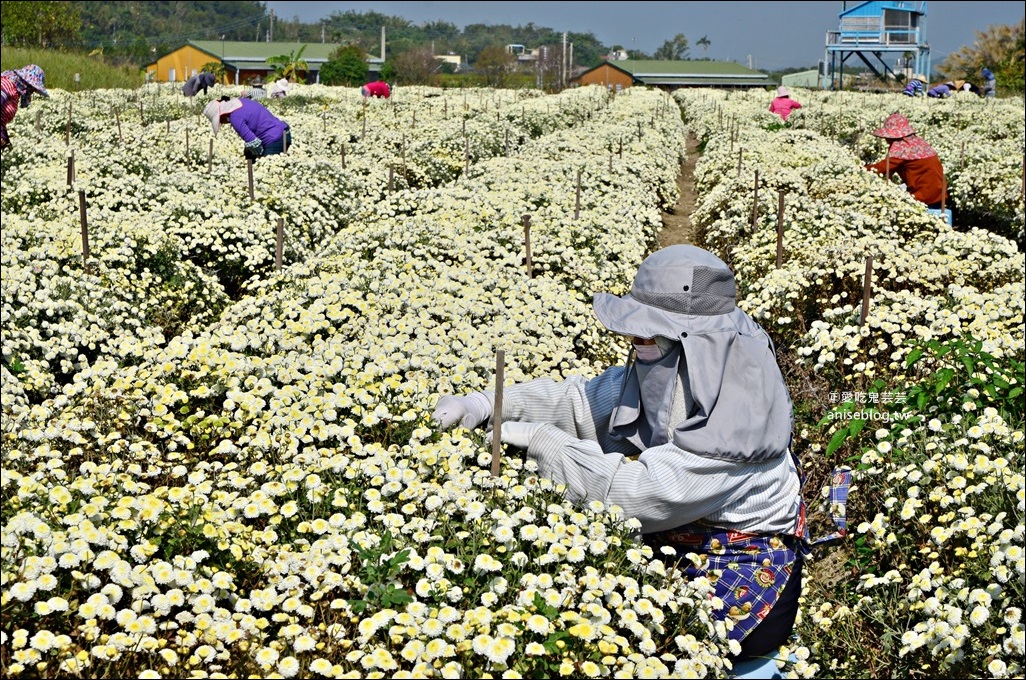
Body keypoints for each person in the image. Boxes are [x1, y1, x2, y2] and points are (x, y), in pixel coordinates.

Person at [432, 245, 849, 663]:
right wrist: (487, 403)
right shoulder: (675, 367)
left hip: (745, 578)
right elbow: (583, 402)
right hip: (683, 543)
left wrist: (545, 443)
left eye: (645, 336)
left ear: (689, 339)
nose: (634, 343)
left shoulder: (737, 411)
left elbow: (637, 495)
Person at [865, 111, 947, 209]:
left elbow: (882, 168)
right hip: (939, 192)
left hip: (924, 195)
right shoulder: (917, 142)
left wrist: (861, 169)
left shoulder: (901, 147)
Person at [203, 97, 292, 161]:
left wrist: (255, 159)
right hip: (283, 132)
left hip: (275, 139)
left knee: (269, 169)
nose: (222, 123)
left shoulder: (235, 118)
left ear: (222, 116)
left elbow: (254, 144)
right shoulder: (242, 102)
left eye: (220, 121)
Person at [1, 64, 49, 150]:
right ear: (27, 83)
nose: (32, 92)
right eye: (33, 88)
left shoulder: (14, 91)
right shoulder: (6, 85)